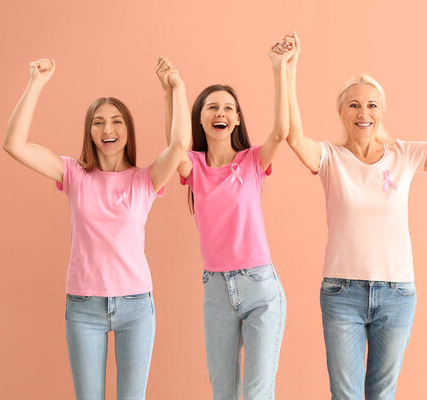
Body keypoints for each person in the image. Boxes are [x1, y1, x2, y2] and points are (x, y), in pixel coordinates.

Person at [282, 33, 427, 400]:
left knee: (382, 395)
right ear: (341, 111)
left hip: (397, 294)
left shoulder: (404, 155)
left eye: (372, 105)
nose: (364, 114)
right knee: (345, 396)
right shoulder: (329, 158)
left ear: (382, 112)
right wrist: (288, 69)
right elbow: (294, 137)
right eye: (355, 105)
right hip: (342, 293)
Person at [3, 56, 191, 400]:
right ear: (89, 131)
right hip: (83, 307)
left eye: (117, 122)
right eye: (99, 122)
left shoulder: (145, 179)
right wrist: (36, 82)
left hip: (136, 307)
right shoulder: (73, 173)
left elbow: (180, 146)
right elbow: (14, 145)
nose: (108, 130)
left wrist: (176, 88)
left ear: (127, 131)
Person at [159, 37, 294, 399]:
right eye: (211, 107)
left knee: (256, 392)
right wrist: (173, 89)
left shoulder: (252, 161)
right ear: (199, 118)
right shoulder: (194, 166)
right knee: (223, 392)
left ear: (236, 119)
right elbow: (174, 145)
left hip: (261, 288)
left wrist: (279, 68)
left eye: (228, 108)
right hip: (216, 291)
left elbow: (281, 132)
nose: (220, 113)